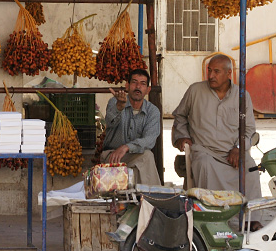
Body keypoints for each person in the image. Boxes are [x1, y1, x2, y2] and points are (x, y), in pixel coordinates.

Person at [172, 54, 261, 198]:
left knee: (250, 168)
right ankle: (211, 214)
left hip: (232, 153)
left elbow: (249, 129)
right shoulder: (195, 91)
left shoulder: (242, 96)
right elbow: (180, 116)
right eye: (209, 70)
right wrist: (183, 136)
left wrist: (238, 148)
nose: (211, 75)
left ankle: (250, 218)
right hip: (205, 151)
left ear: (228, 73)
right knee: (204, 165)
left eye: (216, 72)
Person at [102, 68, 162, 185]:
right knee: (146, 158)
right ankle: (154, 197)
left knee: (146, 156)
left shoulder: (153, 111)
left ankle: (147, 199)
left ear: (148, 90)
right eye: (134, 82)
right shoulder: (115, 101)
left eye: (143, 84)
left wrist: (126, 147)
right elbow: (110, 122)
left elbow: (149, 140)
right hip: (112, 156)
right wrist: (119, 107)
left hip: (136, 155)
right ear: (127, 86)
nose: (138, 87)